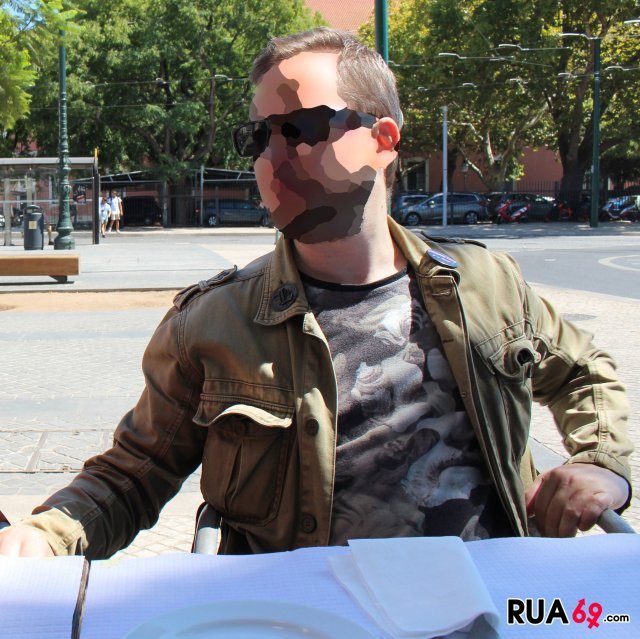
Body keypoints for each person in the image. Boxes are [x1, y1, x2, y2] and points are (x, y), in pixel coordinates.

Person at [0, 28, 632, 559]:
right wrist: (42, 539)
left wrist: (601, 464)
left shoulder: (485, 285)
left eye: (301, 128)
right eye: (258, 137)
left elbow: (585, 372)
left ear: (384, 140)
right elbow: (132, 475)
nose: (273, 156)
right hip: (300, 617)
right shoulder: (212, 323)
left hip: (492, 606)